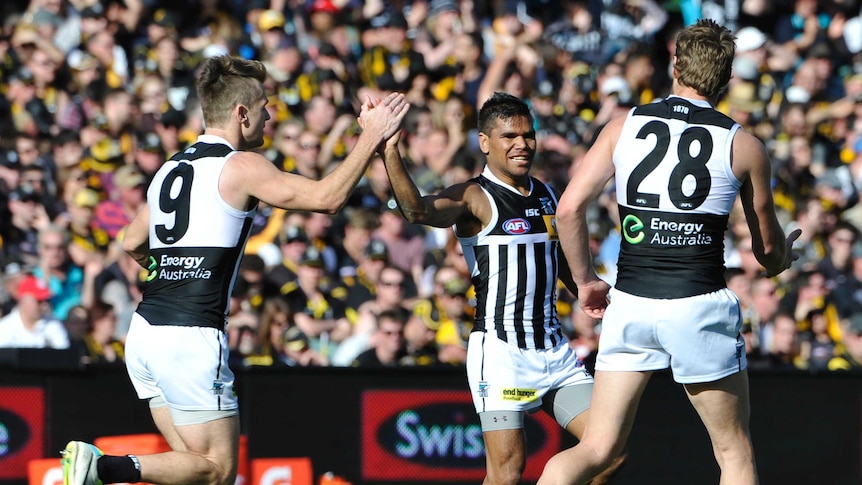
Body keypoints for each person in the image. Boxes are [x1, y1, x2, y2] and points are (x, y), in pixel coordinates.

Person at [60, 55, 408, 485]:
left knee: (190, 466)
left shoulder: (171, 166)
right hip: (191, 338)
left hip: (146, 334)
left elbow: (131, 241)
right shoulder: (239, 165)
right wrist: (371, 136)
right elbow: (327, 199)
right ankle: (105, 466)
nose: (269, 115)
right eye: (264, 106)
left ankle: (106, 468)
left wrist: (171, 272)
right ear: (242, 113)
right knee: (218, 472)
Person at [537, 20, 803, 485]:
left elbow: (569, 209)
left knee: (596, 448)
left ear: (675, 64)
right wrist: (785, 257)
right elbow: (767, 252)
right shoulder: (744, 145)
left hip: (631, 303)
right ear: (726, 77)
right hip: (697, 306)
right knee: (733, 453)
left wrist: (586, 281)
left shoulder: (623, 126)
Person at [381, 91, 622, 484]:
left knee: (609, 452)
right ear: (484, 142)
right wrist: (390, 150)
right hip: (502, 353)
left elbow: (556, 257)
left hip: (554, 352)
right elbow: (417, 211)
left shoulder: (545, 193)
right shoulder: (475, 196)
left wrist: (585, 287)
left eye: (528, 135)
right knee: (507, 473)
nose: (521, 144)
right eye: (509, 136)